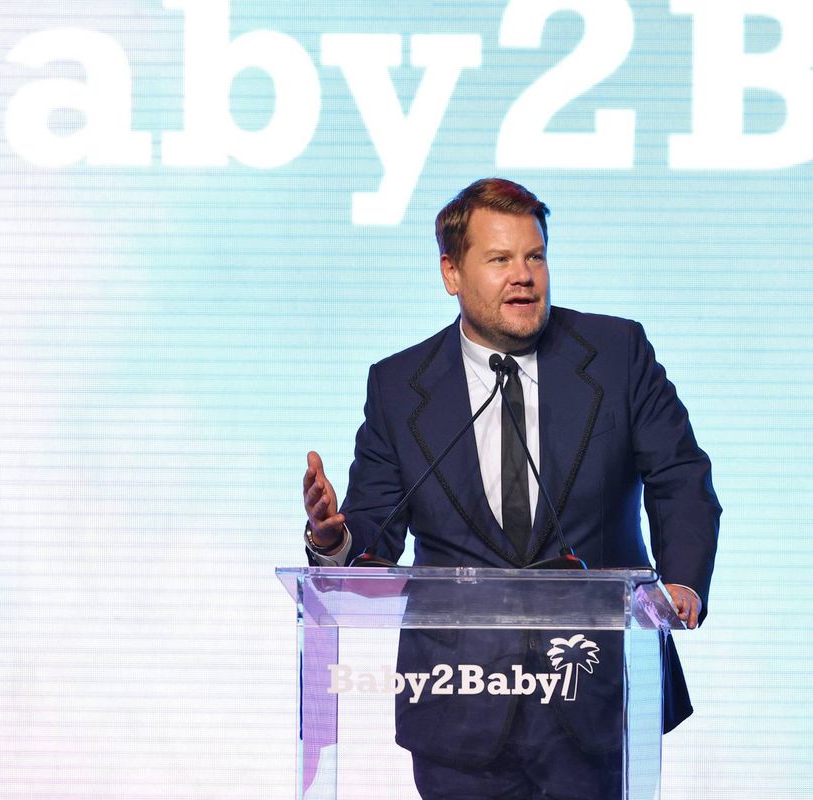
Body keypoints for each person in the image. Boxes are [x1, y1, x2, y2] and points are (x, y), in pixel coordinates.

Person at [302, 177, 721, 798]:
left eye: (535, 256)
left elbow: (680, 476)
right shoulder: (399, 385)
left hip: (597, 694)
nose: (523, 275)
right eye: (500, 259)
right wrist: (334, 543)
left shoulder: (615, 353)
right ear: (451, 272)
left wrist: (679, 583)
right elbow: (376, 533)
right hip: (459, 704)